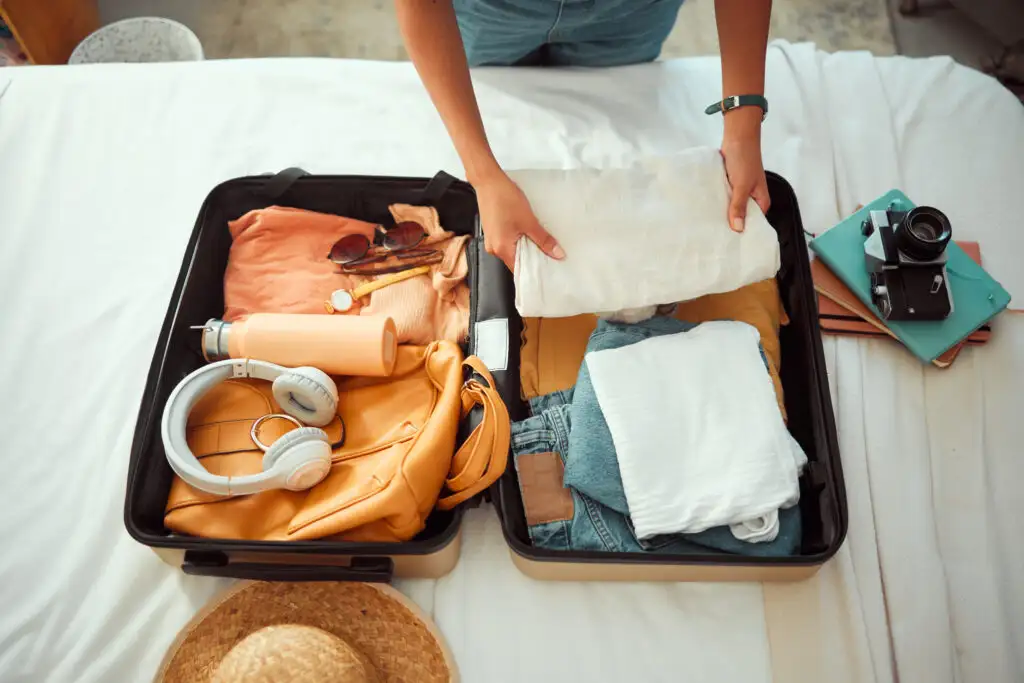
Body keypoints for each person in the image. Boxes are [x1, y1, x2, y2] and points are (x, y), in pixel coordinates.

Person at [395, 0, 773, 270]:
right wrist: (482, 174)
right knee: (498, 91)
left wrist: (743, 131)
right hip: (491, 15)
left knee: (618, 93)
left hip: (628, 15)